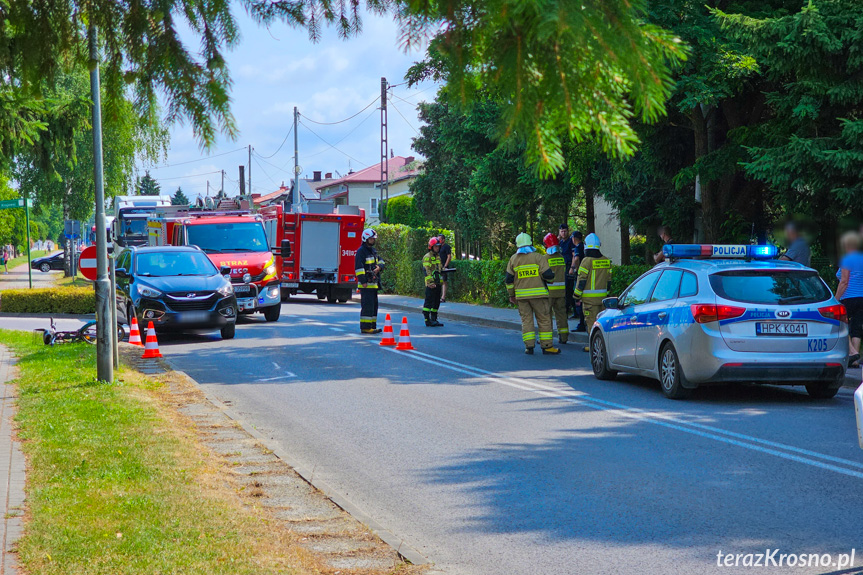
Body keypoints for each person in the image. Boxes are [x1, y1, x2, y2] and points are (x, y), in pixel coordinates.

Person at [505, 232, 560, 355]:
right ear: (530, 242)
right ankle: (547, 346)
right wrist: (551, 280)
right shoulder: (538, 257)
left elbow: (509, 279)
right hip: (539, 296)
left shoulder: (513, 259)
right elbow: (548, 275)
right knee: (544, 319)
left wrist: (511, 294)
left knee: (526, 320)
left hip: (521, 297)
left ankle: (529, 347)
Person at [575, 233, 612, 352]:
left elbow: (581, 280)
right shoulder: (606, 260)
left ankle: (593, 347)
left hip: (589, 301)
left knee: (592, 324)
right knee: (601, 325)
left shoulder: (586, 261)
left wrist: (576, 296)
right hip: (603, 299)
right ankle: (603, 346)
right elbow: (609, 281)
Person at [836, 231, 863, 366]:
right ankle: (856, 360)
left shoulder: (847, 259)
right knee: (857, 327)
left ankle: (852, 352)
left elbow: (844, 281)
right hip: (862, 298)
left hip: (848, 297)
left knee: (840, 325)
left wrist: (836, 299)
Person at [355, 229, 384, 334]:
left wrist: (379, 267)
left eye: (373, 239)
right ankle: (365, 327)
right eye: (371, 239)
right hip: (366, 285)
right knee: (367, 306)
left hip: (373, 285)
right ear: (365, 239)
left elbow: (381, 261)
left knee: (374, 306)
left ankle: (372, 325)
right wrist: (363, 281)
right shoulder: (361, 251)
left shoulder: (373, 250)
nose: (372, 240)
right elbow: (359, 268)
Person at [543, 233, 569, 344]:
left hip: (548, 292)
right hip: (561, 292)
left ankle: (547, 339)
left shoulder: (544, 259)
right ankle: (564, 337)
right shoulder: (561, 258)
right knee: (561, 315)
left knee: (546, 316)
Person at [422, 238, 445, 327]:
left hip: (438, 283)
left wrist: (441, 279)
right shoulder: (427, 257)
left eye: (438, 246)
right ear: (431, 247)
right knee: (429, 302)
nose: (437, 248)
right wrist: (430, 282)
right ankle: (427, 320)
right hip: (431, 284)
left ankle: (434, 319)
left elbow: (439, 269)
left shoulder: (438, 256)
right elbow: (426, 271)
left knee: (436, 302)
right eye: (436, 246)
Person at [569, 231, 586, 330]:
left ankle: (581, 324)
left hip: (579, 275)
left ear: (574, 238)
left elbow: (576, 258)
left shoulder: (578, 247)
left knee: (578, 299)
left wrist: (574, 268)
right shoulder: (584, 246)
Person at [558, 225, 576, 315]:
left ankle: (571, 310)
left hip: (569, 267)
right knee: (565, 290)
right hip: (563, 267)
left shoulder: (570, 242)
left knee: (569, 289)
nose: (563, 233)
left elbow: (574, 255)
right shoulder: (560, 242)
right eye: (562, 231)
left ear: (568, 231)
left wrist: (572, 268)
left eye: (565, 231)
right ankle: (569, 309)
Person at [437, 234, 453, 302]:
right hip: (438, 266)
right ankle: (437, 296)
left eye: (440, 239)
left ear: (443, 240)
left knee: (444, 281)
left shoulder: (446, 247)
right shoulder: (438, 247)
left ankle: (443, 297)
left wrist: (445, 266)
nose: (439, 240)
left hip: (443, 266)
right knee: (437, 280)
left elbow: (449, 257)